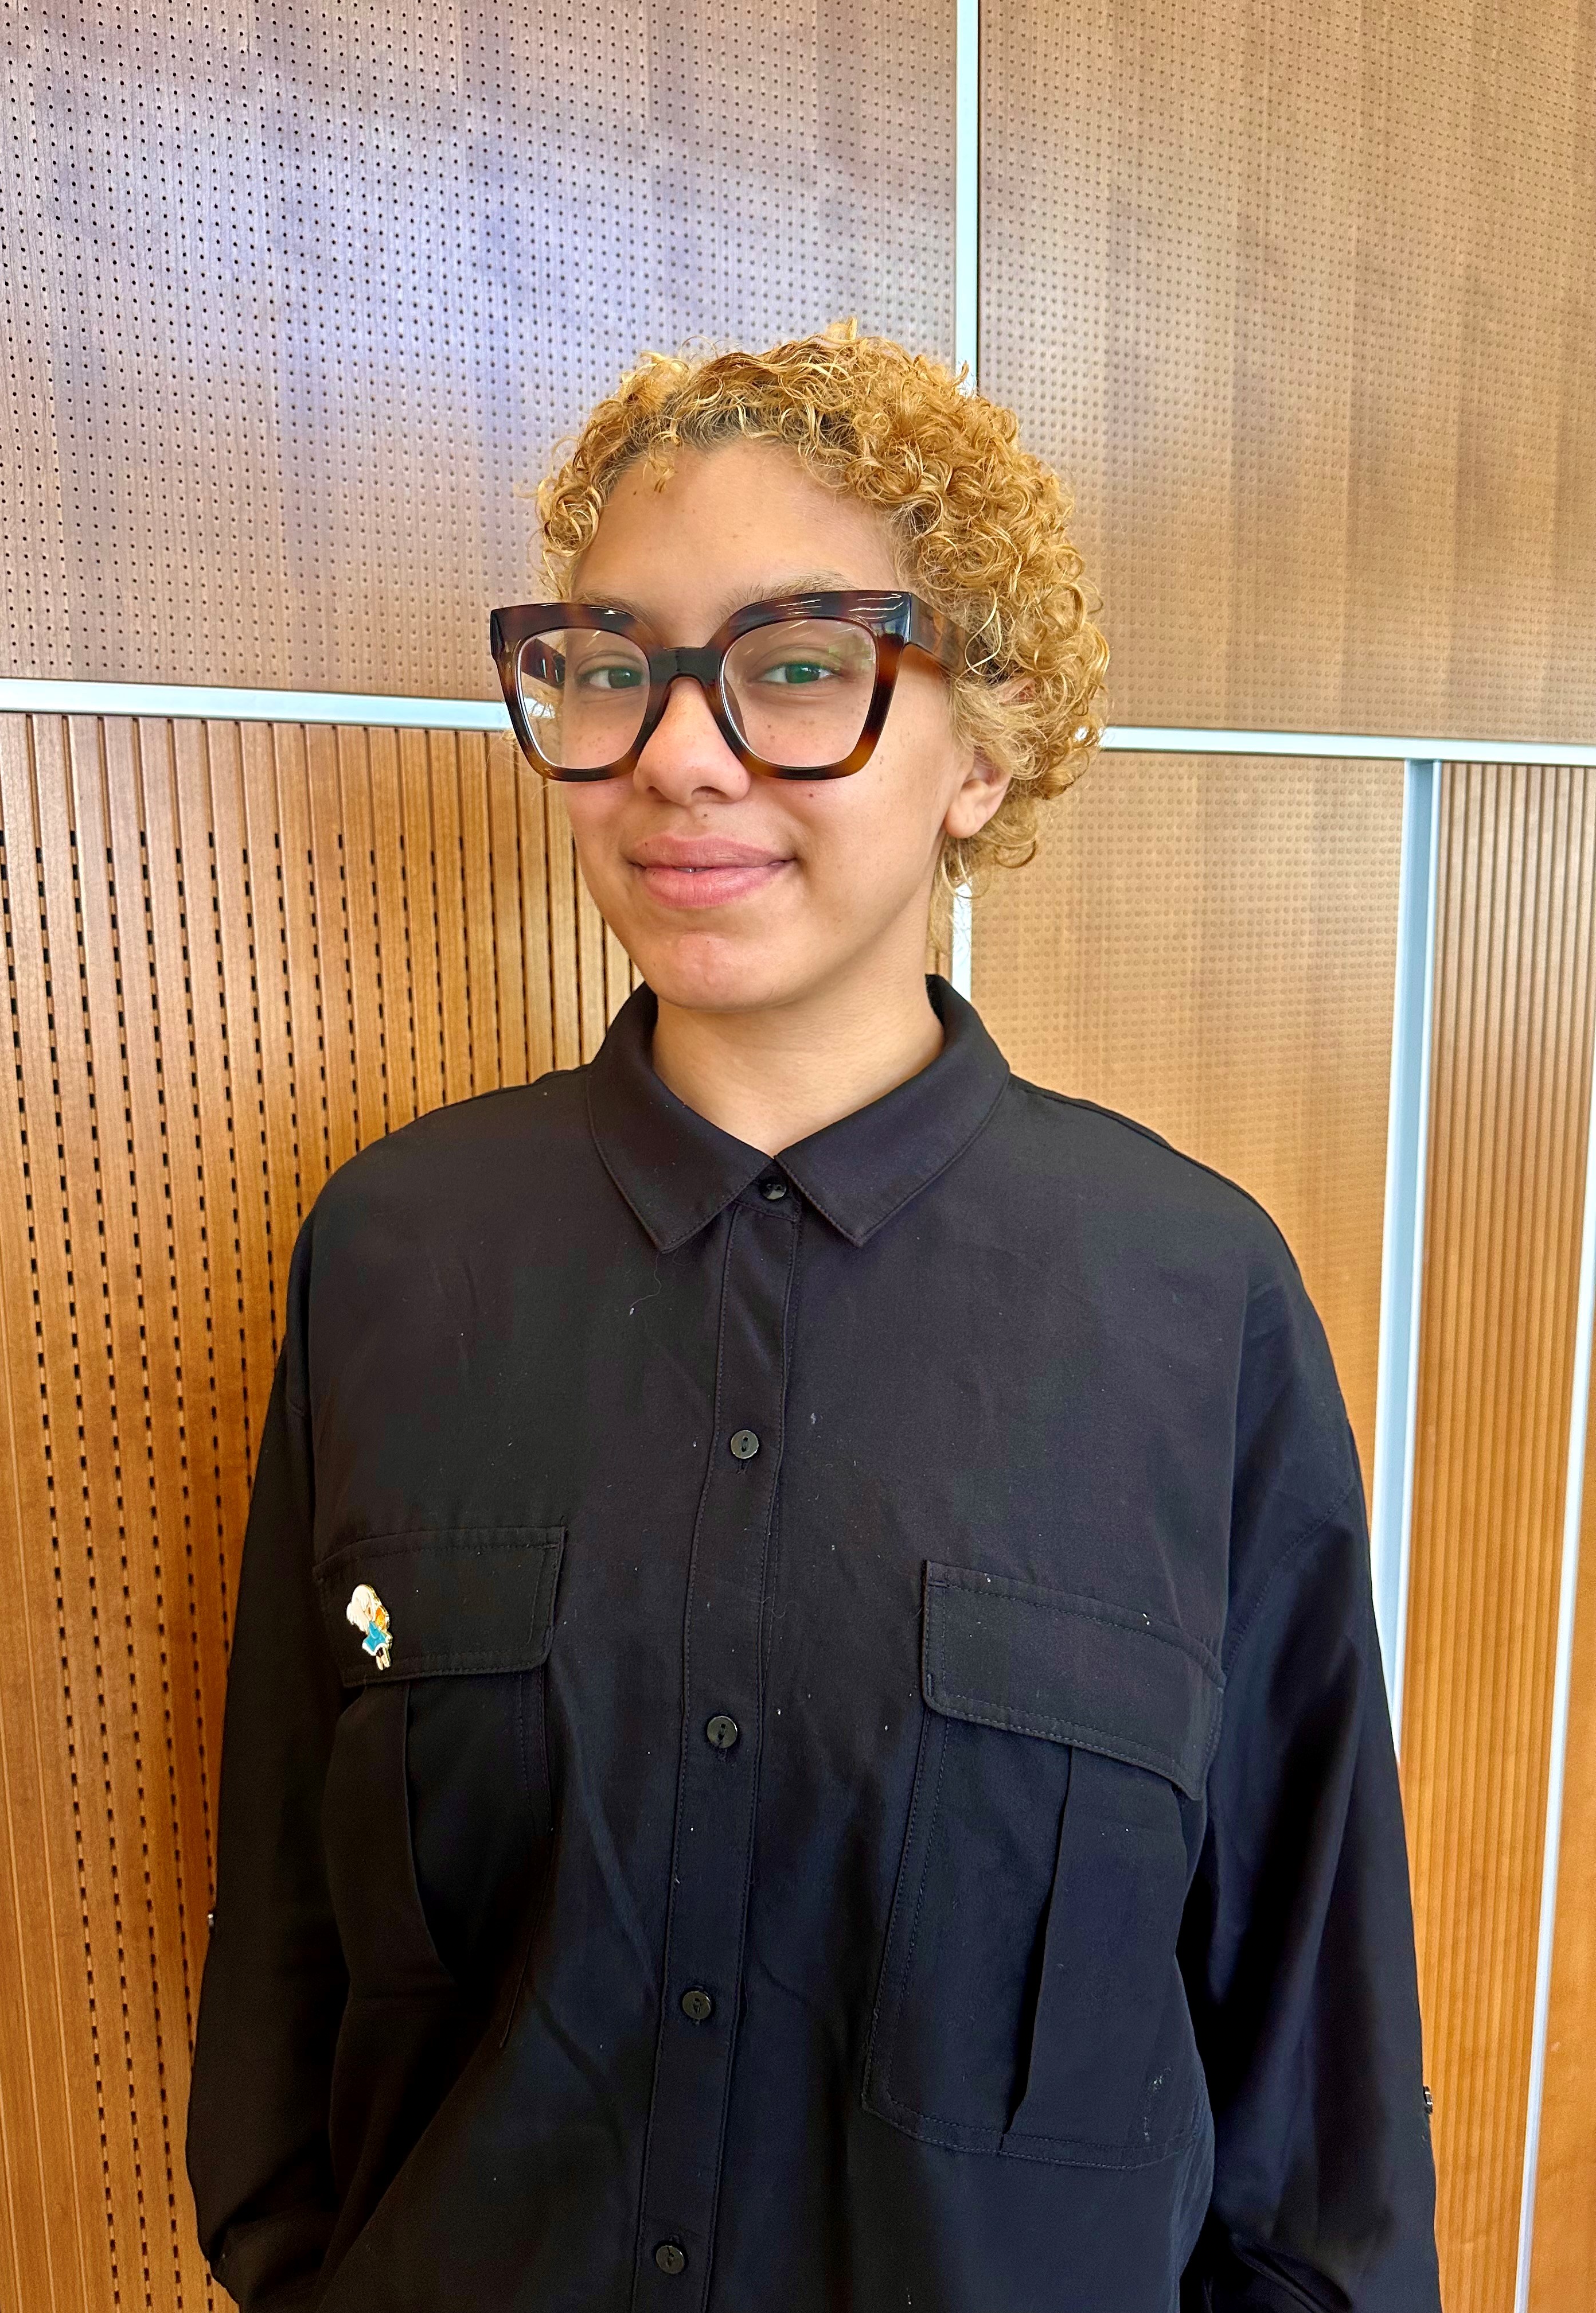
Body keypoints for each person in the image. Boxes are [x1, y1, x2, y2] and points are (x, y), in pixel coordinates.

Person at [185, 323, 1440, 2311]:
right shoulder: (395, 1261)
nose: (677, 755)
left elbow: (1313, 2070)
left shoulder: (1196, 1309)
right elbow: (288, 1968)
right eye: (612, 666)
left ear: (985, 748)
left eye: (794, 666)